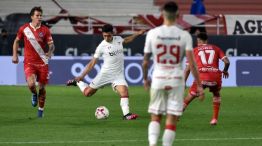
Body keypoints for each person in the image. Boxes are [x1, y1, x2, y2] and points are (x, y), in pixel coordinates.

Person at [142, 2, 205, 146]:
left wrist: (145, 79)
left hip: (158, 78)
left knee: (155, 116)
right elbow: (192, 63)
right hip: (177, 80)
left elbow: (145, 62)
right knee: (171, 117)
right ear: (178, 15)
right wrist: (199, 86)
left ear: (162, 15)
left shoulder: (152, 33)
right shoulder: (184, 35)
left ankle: (152, 144)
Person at [66, 24, 145, 120]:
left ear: (113, 33)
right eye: (104, 36)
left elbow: (128, 39)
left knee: (124, 91)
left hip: (118, 75)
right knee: (87, 93)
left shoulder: (118, 39)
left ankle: (127, 115)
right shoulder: (101, 46)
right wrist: (82, 76)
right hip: (105, 74)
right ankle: (77, 82)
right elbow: (92, 63)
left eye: (109, 35)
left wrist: (138, 33)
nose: (107, 38)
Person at [12, 7, 55, 118]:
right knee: (31, 84)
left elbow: (51, 45)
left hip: (42, 63)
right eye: (37, 15)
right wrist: (15, 55)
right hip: (29, 62)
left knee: (42, 88)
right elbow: (16, 41)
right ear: (32, 16)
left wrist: (50, 52)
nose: (39, 17)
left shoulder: (45, 30)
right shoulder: (24, 29)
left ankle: (40, 111)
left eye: (41, 15)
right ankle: (33, 94)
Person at [183, 32, 230, 125]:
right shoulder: (216, 48)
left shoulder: (194, 50)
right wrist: (224, 71)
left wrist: (183, 82)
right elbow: (227, 62)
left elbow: (188, 69)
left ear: (199, 40)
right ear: (207, 40)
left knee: (189, 97)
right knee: (216, 94)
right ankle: (214, 119)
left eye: (197, 41)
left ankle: (176, 116)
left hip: (201, 76)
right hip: (215, 76)